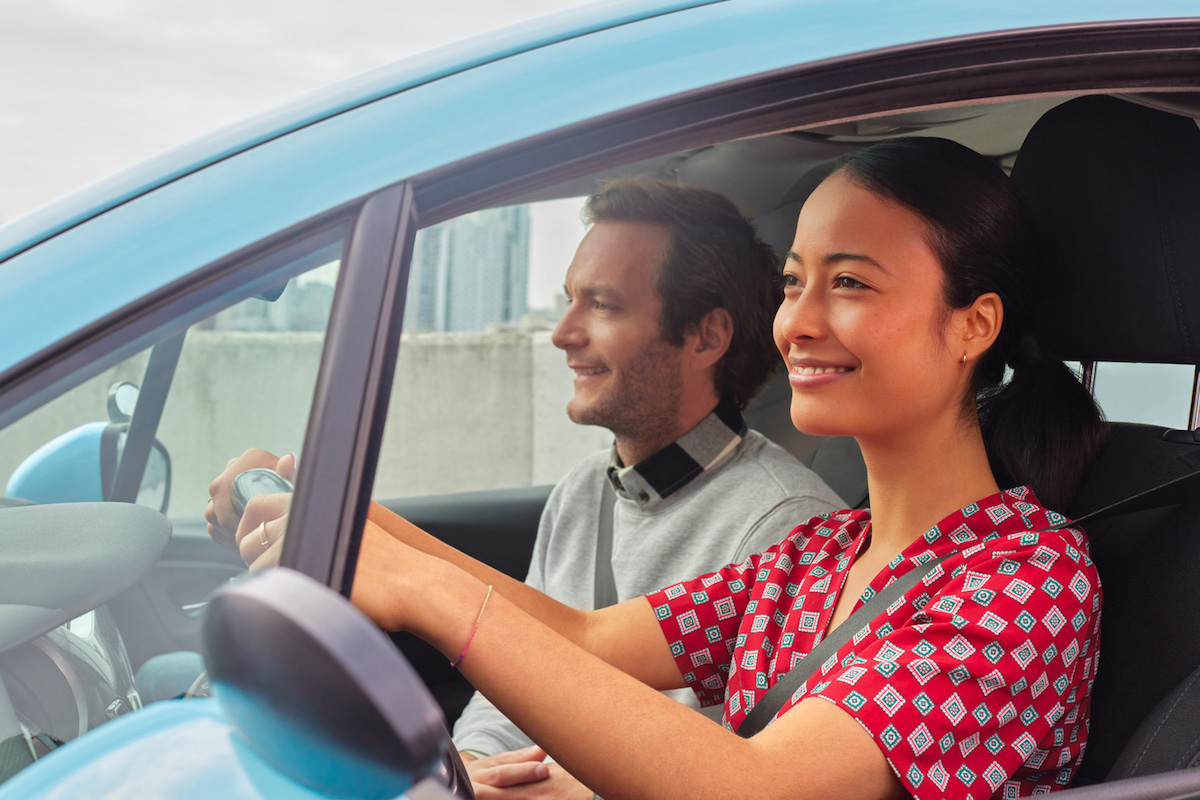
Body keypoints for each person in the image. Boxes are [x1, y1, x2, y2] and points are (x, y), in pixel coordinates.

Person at [229, 137, 1109, 799]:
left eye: (849, 283)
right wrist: (341, 517)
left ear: (972, 325)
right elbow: (584, 640)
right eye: (794, 281)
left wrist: (425, 592)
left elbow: (759, 787)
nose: (798, 321)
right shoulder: (822, 554)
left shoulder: (1028, 580)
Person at [207, 176, 845, 799]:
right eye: (569, 299)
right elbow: (513, 670)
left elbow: (748, 769)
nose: (563, 333)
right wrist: (474, 769)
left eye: (602, 305)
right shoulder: (582, 493)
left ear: (706, 336)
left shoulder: (789, 530)